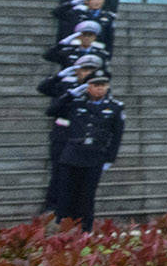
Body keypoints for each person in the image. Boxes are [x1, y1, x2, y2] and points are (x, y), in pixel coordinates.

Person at [47, 70, 126, 229]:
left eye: (103, 85)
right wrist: (69, 95)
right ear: (87, 87)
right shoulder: (76, 103)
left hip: (94, 157)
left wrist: (110, 159)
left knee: (87, 197)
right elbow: (51, 111)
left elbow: (116, 136)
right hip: (71, 155)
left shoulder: (115, 107)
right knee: (65, 195)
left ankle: (85, 230)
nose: (99, 89)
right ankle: (63, 228)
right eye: (95, 85)